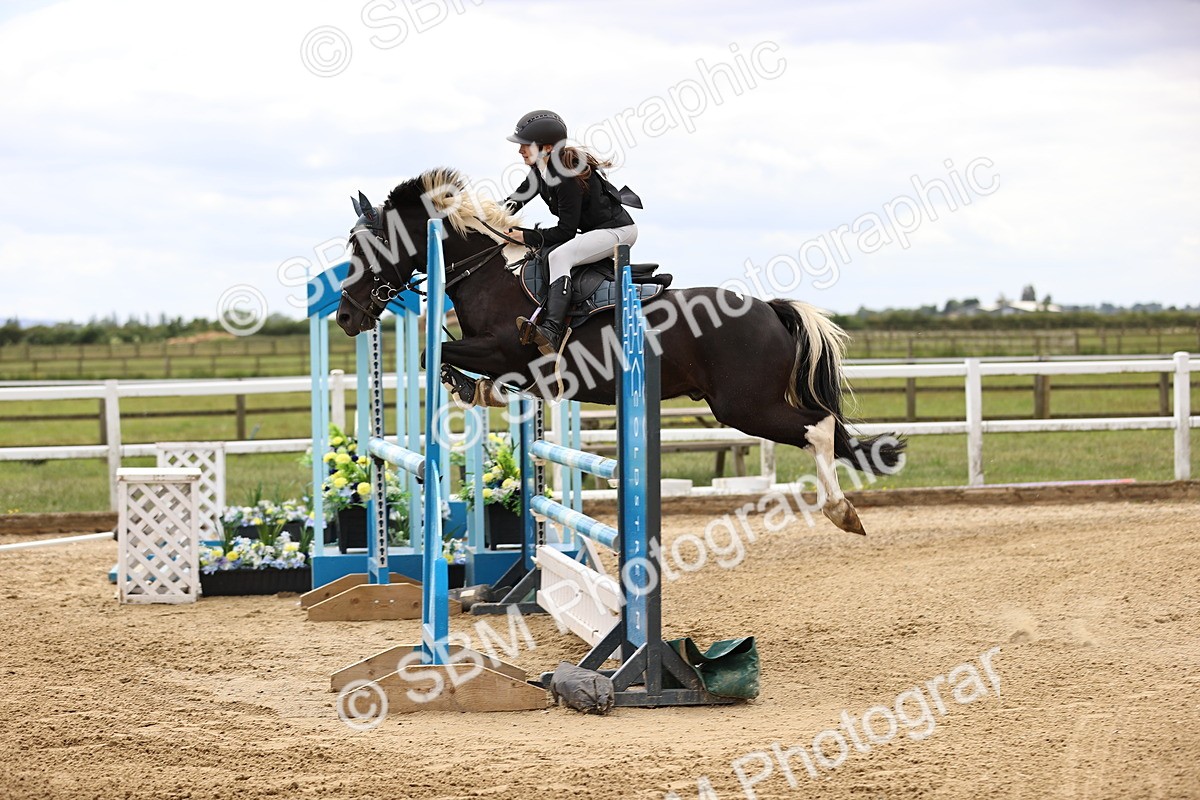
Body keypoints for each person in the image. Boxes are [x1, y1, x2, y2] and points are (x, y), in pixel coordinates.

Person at [502, 110, 640, 355]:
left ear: (545, 148)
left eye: (525, 145)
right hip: (597, 230)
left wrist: (525, 236)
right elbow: (515, 201)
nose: (520, 150)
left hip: (618, 232)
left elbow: (566, 232)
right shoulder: (540, 169)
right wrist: (483, 218)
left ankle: (553, 331)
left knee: (559, 256)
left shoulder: (566, 177)